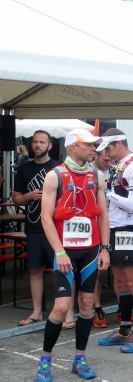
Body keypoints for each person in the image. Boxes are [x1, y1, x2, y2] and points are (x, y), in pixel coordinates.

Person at [35, 129, 110, 382]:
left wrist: (105, 248)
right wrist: (59, 252)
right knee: (62, 306)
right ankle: (45, 359)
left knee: (87, 304)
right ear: (72, 147)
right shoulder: (54, 175)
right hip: (64, 251)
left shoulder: (97, 176)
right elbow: (46, 217)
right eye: (88, 145)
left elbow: (103, 214)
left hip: (90, 249)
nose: (94, 149)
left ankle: (80, 358)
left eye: (94, 145)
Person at [97, 129, 133, 353]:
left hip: (128, 230)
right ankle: (124, 330)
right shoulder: (117, 165)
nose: (106, 153)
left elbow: (132, 204)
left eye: (109, 148)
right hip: (113, 228)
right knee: (120, 283)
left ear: (119, 144)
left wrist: (106, 193)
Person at [13, 131, 60, 327]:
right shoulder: (24, 169)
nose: (37, 145)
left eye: (42, 142)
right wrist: (29, 196)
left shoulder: (58, 168)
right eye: (35, 142)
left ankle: (63, 312)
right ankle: (37, 312)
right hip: (33, 228)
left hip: (56, 229)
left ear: (49, 146)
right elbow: (16, 198)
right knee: (35, 270)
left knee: (62, 269)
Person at [91, 144, 114, 329]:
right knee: (96, 270)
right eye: (105, 160)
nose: (108, 163)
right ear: (96, 156)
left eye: (111, 160)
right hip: (96, 225)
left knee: (120, 268)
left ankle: (123, 307)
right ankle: (97, 308)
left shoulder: (116, 171)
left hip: (115, 223)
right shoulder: (90, 173)